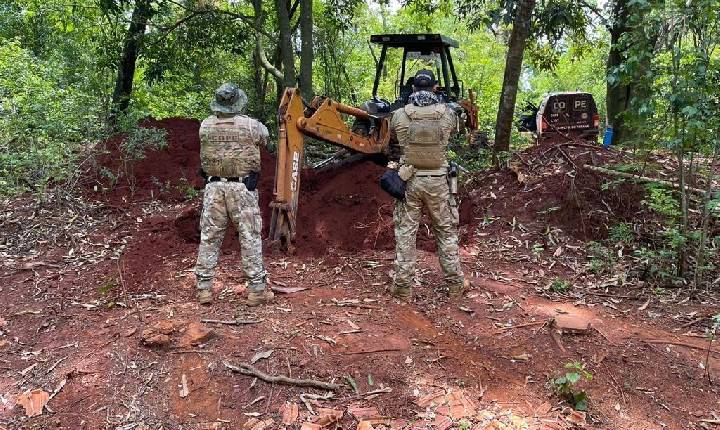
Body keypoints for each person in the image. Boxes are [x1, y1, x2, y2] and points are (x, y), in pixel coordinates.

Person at [388, 69, 468, 300]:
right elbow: (458, 130)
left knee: (406, 233)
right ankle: (455, 284)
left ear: (412, 88)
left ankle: (403, 287)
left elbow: (394, 138)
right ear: (435, 88)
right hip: (439, 182)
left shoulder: (400, 115)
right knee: (445, 231)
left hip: (409, 180)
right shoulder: (448, 114)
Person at [195, 83, 274, 307]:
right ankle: (256, 289)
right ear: (238, 102)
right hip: (241, 188)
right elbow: (265, 140)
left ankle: (204, 289)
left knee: (209, 237)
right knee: (249, 236)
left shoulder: (205, 126)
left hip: (213, 188)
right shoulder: (252, 126)